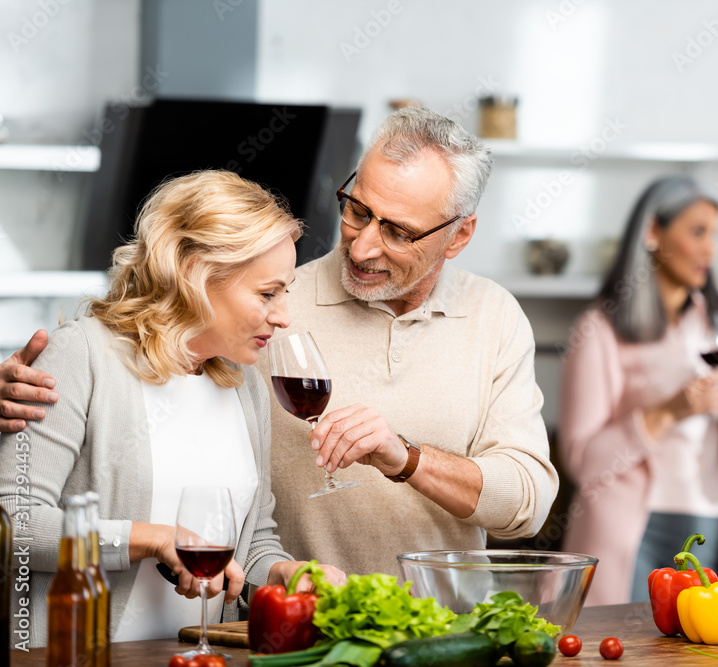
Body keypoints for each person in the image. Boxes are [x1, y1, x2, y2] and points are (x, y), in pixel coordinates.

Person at [0, 108, 560, 577]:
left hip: (441, 628)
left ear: (459, 234)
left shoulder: (494, 318)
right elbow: (23, 509)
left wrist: (404, 458)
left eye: (399, 231)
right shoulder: (245, 324)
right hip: (281, 643)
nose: (362, 248)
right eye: (357, 210)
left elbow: (527, 504)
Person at [0, 171, 345, 647]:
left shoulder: (245, 383)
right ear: (194, 274)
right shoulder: (82, 355)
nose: (283, 315)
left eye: (284, 292)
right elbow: (14, 521)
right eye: (267, 293)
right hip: (79, 655)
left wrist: (285, 572)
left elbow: (253, 540)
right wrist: (151, 538)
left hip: (198, 656)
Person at [558, 176, 718, 606]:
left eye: (715, 235)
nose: (711, 249)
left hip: (710, 520)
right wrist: (667, 411)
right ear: (653, 233)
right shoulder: (600, 329)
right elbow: (581, 461)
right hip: (631, 526)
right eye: (697, 232)